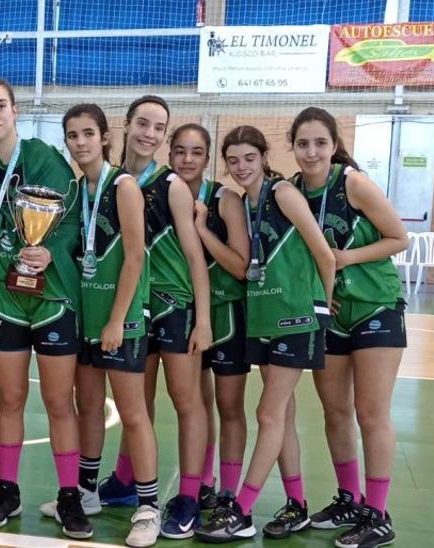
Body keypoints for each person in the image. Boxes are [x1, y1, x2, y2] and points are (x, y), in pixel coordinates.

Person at [196, 125, 335, 544]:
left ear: (263, 157)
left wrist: (323, 308)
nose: (241, 167)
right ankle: (298, 505)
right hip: (264, 317)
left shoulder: (282, 194)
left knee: (268, 414)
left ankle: (242, 510)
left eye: (249, 159)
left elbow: (324, 255)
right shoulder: (244, 202)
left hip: (296, 318)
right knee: (284, 416)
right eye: (233, 160)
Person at [0, 78, 90, 539]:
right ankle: (7, 489)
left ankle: (69, 496)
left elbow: (72, 218)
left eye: (0, 106)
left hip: (53, 297)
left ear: (15, 110)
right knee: (11, 398)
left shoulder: (45, 158)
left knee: (60, 402)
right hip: (6, 297)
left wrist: (52, 250)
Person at [288, 108, 408, 548]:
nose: (312, 151)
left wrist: (345, 259)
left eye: (320, 142)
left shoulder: (352, 183)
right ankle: (348, 499)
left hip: (376, 307)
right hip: (331, 313)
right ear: (293, 147)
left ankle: (377, 513)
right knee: (334, 411)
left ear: (334, 145)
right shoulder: (293, 191)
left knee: (371, 413)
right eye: (303, 143)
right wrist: (319, 290)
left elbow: (399, 237)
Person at [94, 95, 212, 541]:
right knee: (134, 406)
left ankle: (187, 497)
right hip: (132, 306)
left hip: (174, 307)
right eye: (142, 123)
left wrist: (203, 318)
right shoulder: (108, 180)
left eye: (158, 128)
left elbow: (195, 258)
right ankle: (125, 483)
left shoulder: (173, 186)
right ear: (126, 124)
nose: (149, 133)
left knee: (186, 401)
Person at [62, 103, 161, 547]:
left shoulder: (122, 185)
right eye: (72, 135)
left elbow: (136, 256)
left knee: (134, 413)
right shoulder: (77, 189)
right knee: (89, 407)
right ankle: (85, 492)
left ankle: (148, 506)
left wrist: (119, 318)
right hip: (87, 318)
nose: (80, 142)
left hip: (120, 321)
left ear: (104, 137)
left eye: (87, 134)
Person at [178, 124, 250, 516]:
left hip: (226, 314)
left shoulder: (225, 200)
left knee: (228, 405)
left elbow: (240, 266)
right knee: (197, 403)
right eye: (180, 151)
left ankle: (228, 491)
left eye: (196, 152)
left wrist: (202, 230)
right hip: (189, 311)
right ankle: (203, 484)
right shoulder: (167, 195)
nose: (187, 160)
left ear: (208, 159)